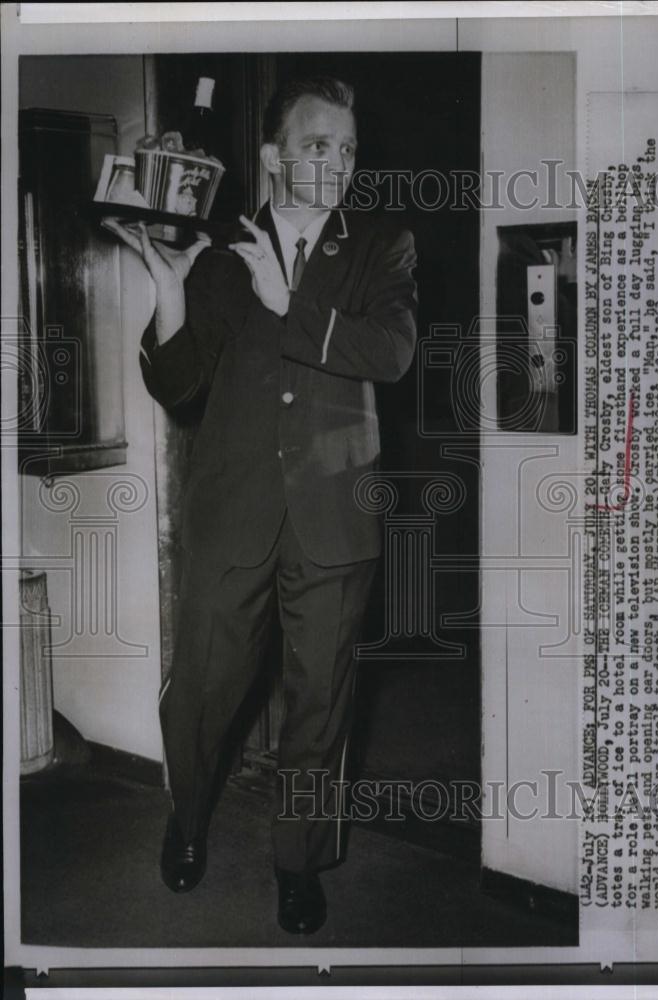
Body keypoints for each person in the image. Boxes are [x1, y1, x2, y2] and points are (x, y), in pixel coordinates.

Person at [105, 76, 417, 935]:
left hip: (333, 519)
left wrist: (293, 305)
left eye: (348, 149)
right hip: (230, 514)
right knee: (203, 691)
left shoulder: (380, 247)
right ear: (275, 158)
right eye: (319, 146)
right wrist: (169, 293)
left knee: (319, 703)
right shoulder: (217, 258)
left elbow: (391, 352)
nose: (338, 163)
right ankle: (190, 818)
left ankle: (299, 863)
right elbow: (178, 386)